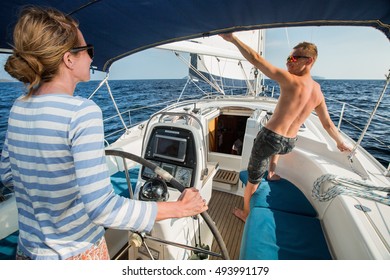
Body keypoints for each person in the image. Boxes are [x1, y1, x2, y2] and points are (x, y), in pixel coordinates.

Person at [0, 6, 208, 260]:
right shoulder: (81, 112)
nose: (91, 58)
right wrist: (179, 207)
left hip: (27, 253)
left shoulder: (19, 107)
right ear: (69, 59)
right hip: (75, 256)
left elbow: (8, 175)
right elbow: (102, 209)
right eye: (88, 50)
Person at [219, 33, 351, 222]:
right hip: (289, 143)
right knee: (277, 148)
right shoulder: (318, 91)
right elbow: (327, 124)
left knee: (253, 178)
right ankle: (271, 173)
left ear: (309, 60)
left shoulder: (289, 79)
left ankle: (246, 213)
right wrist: (340, 142)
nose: (288, 62)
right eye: (288, 58)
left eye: (293, 58)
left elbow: (256, 59)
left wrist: (232, 39)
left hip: (270, 138)